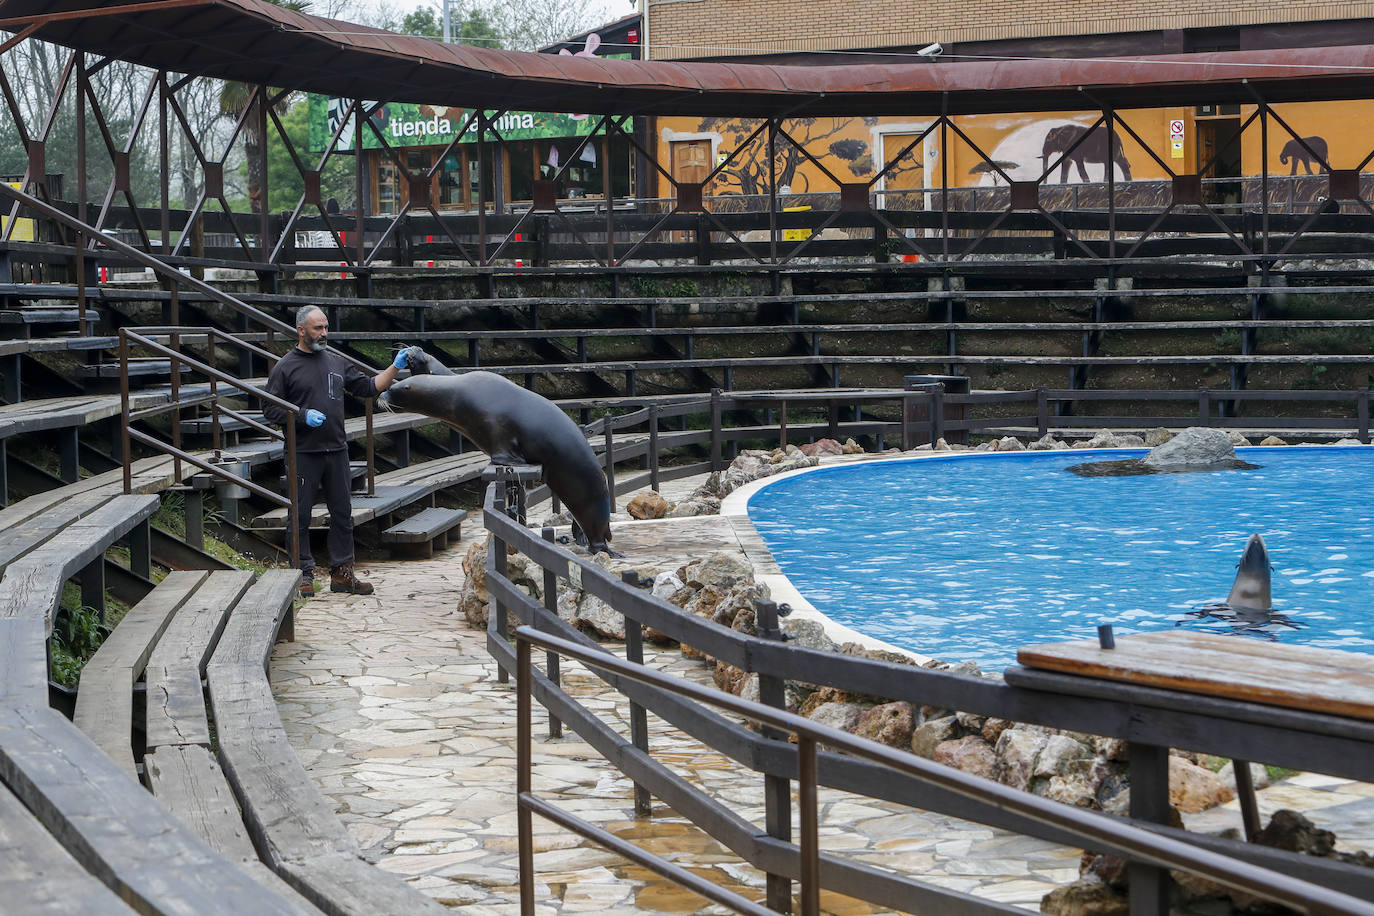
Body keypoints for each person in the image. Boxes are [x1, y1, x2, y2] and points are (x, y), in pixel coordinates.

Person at [264, 305, 410, 597]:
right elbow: (269, 407)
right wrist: (301, 415)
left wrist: (396, 366)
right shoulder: (285, 367)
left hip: (336, 449)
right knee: (300, 515)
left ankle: (342, 573)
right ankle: (302, 574)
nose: (324, 333)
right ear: (301, 330)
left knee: (342, 513)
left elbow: (369, 388)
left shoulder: (336, 362)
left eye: (326, 327)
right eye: (317, 328)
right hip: (303, 451)